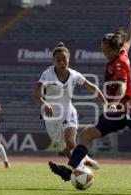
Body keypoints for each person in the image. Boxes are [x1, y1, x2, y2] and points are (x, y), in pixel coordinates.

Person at [47, 6, 131, 184]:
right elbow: (129, 39)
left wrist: (113, 103)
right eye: (103, 50)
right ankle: (72, 168)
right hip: (116, 112)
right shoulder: (122, 52)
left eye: (106, 50)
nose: (105, 53)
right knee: (85, 136)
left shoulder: (118, 64)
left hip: (130, 109)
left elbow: (122, 87)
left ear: (114, 49)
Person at [33, 42, 109, 170]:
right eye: (58, 60)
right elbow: (36, 94)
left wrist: (105, 103)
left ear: (69, 59)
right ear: (53, 61)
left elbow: (92, 87)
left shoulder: (74, 75)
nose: (62, 63)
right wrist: (44, 104)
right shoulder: (48, 74)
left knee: (70, 142)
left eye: (65, 59)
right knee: (67, 151)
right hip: (51, 118)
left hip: (68, 112)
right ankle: (83, 162)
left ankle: (82, 173)